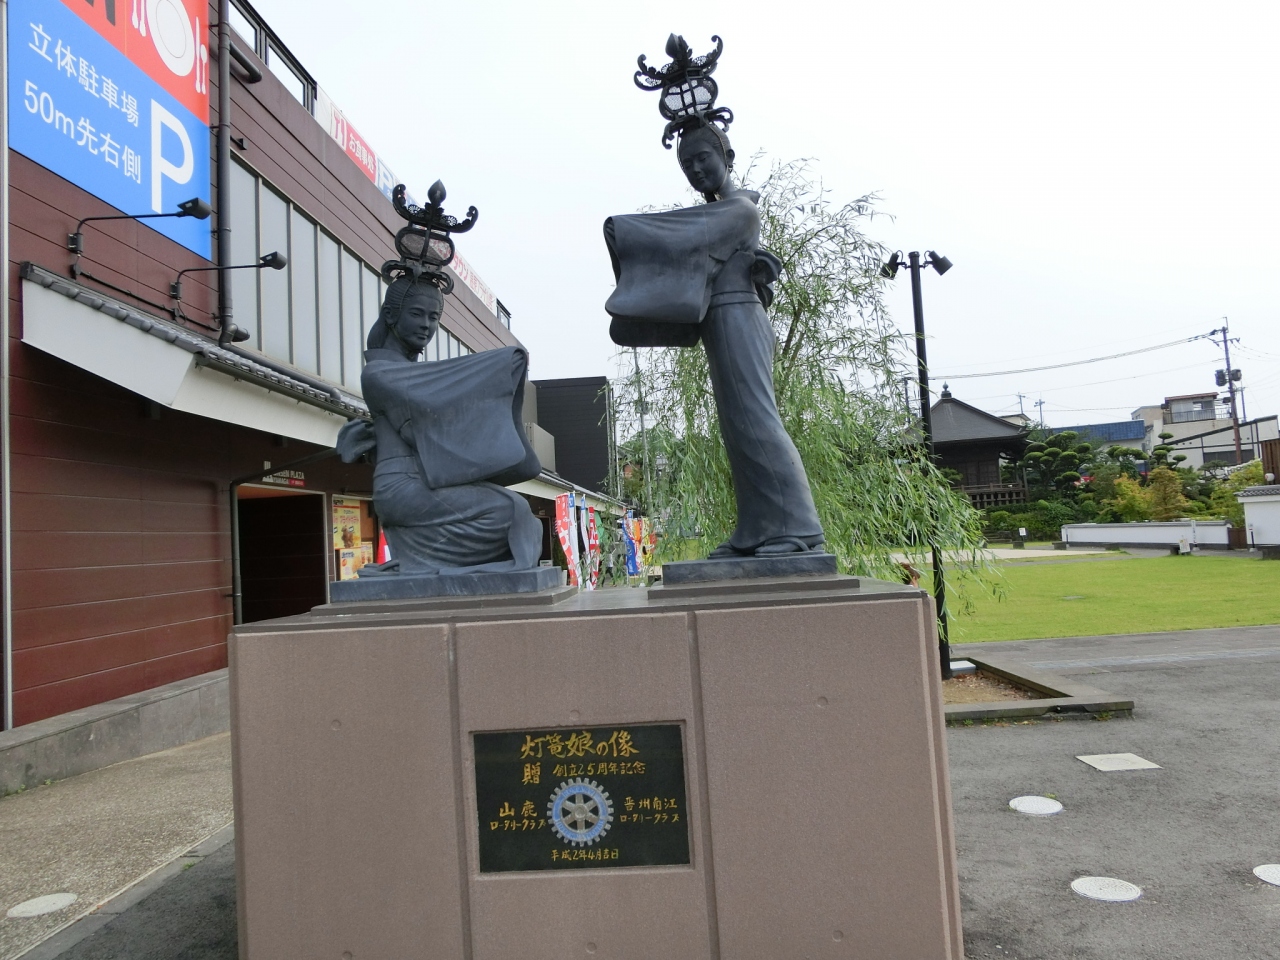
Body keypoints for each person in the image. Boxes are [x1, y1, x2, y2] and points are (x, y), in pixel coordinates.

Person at [604, 120, 825, 558]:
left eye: (702, 158)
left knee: (755, 418)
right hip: (722, 320)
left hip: (738, 316)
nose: (695, 169)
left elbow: (674, 233)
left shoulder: (739, 211)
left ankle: (798, 526)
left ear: (727, 157)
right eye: (687, 164)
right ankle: (760, 526)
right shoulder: (725, 212)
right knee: (738, 425)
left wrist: (620, 230)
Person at [337, 275, 542, 575]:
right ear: (391, 315)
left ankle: (432, 566)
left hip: (427, 481)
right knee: (512, 512)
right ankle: (436, 569)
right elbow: (432, 412)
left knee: (521, 514)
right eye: (416, 313)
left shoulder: (413, 374)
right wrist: (502, 365)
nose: (426, 325)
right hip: (401, 486)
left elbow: (444, 401)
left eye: (434, 317)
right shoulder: (379, 374)